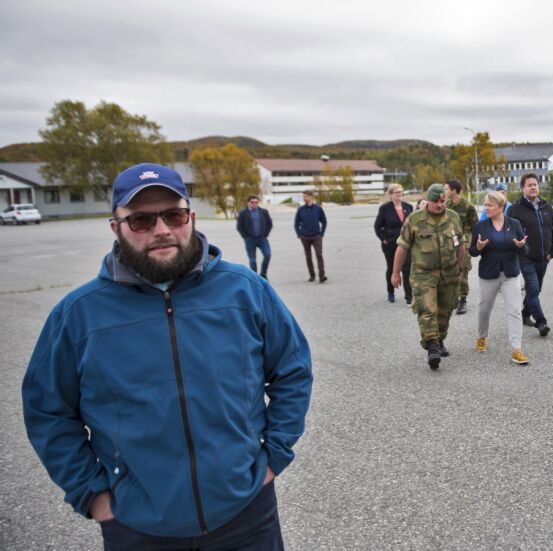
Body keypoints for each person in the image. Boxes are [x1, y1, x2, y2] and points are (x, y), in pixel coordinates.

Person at [22, 163, 313, 549]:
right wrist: (93, 494)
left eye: (174, 215)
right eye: (141, 220)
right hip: (139, 527)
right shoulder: (79, 315)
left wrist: (273, 456)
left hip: (245, 516)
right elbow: (47, 411)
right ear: (116, 227)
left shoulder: (245, 291)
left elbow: (292, 370)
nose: (162, 230)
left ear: (190, 217)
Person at [391, 184, 466, 369]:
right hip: (423, 273)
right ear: (428, 201)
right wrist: (395, 273)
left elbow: (460, 244)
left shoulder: (453, 218)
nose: (440, 205)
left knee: (445, 309)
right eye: (436, 201)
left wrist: (460, 268)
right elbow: (402, 247)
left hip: (449, 273)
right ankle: (431, 345)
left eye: (443, 201)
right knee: (427, 309)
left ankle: (440, 339)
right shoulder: (415, 219)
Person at [469, 191, 529, 364]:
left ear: (500, 207)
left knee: (514, 310)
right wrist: (479, 247)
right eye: (485, 204)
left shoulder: (514, 224)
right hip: (489, 274)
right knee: (485, 308)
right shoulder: (481, 226)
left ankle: (516, 349)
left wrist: (520, 246)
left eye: (489, 205)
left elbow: (525, 249)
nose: (486, 208)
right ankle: (481, 336)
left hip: (511, 273)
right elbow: (472, 251)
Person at [509, 173, 553, 337]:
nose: (533, 187)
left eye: (535, 185)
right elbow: (508, 232)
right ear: (523, 188)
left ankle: (524, 314)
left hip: (544, 257)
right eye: (529, 185)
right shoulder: (515, 209)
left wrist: (552, 251)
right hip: (525, 258)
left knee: (536, 290)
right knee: (533, 288)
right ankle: (541, 322)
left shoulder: (547, 206)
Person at [374, 183, 414, 304]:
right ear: (391, 194)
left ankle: (409, 296)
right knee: (392, 268)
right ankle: (391, 291)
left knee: (407, 269)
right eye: (397, 192)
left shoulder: (408, 207)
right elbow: (377, 226)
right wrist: (384, 239)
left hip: (405, 244)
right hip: (390, 244)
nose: (400, 194)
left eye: (401, 192)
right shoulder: (385, 208)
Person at [445, 179, 478, 315]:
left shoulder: (468, 206)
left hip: (465, 242)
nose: (444, 191)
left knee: (462, 271)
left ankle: (462, 299)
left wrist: (475, 246)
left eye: (446, 188)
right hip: (449, 241)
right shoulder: (446, 205)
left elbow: (476, 226)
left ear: (453, 190)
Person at [236, 194, 273, 279]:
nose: (254, 204)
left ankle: (263, 274)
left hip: (262, 238)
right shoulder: (243, 213)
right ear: (248, 203)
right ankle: (255, 277)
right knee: (252, 260)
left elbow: (269, 224)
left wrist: (265, 234)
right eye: (252, 202)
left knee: (267, 255)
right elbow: (239, 226)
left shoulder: (263, 212)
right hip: (250, 240)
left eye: (256, 202)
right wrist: (245, 237)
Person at [294, 190, 327, 283]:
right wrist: (299, 234)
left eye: (306, 196)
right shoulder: (300, 210)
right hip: (305, 237)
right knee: (308, 256)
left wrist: (322, 233)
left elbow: (324, 222)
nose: (304, 198)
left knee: (319, 255)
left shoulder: (318, 209)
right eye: (303, 197)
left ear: (311, 197)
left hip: (317, 236)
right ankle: (312, 275)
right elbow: (296, 224)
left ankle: (322, 275)